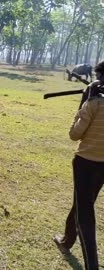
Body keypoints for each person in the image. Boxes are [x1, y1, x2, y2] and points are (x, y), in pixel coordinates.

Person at [54, 61, 104, 270]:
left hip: (86, 163)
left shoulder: (94, 104)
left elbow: (74, 135)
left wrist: (83, 103)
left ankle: (91, 265)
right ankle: (67, 240)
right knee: (83, 202)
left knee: (84, 211)